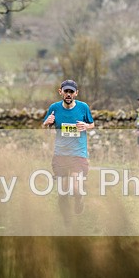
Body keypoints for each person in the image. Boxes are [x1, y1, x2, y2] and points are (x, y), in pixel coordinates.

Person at [42, 79, 95, 220]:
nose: (68, 94)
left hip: (78, 153)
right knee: (63, 191)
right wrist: (46, 123)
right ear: (61, 92)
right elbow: (44, 127)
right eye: (66, 91)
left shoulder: (83, 108)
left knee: (76, 187)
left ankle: (79, 200)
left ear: (76, 93)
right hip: (60, 154)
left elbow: (92, 124)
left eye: (71, 91)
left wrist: (86, 126)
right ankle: (66, 220)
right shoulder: (54, 108)